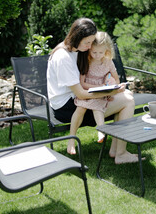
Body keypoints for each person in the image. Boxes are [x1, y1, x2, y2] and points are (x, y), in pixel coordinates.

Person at [47, 17, 139, 164]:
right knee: (127, 101)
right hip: (67, 107)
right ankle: (120, 153)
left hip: (77, 99)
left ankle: (116, 150)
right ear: (77, 37)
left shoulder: (75, 48)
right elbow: (81, 94)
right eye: (87, 42)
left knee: (126, 94)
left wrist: (111, 86)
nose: (90, 46)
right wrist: (111, 92)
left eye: (91, 42)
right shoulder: (63, 57)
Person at [68, 31, 121, 156]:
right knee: (81, 107)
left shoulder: (108, 62)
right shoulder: (86, 61)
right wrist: (98, 86)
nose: (97, 55)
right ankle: (71, 139)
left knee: (97, 105)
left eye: (101, 52)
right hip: (87, 92)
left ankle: (101, 130)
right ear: (89, 50)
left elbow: (116, 78)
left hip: (101, 93)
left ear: (106, 51)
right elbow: (82, 83)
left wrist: (112, 86)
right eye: (94, 52)